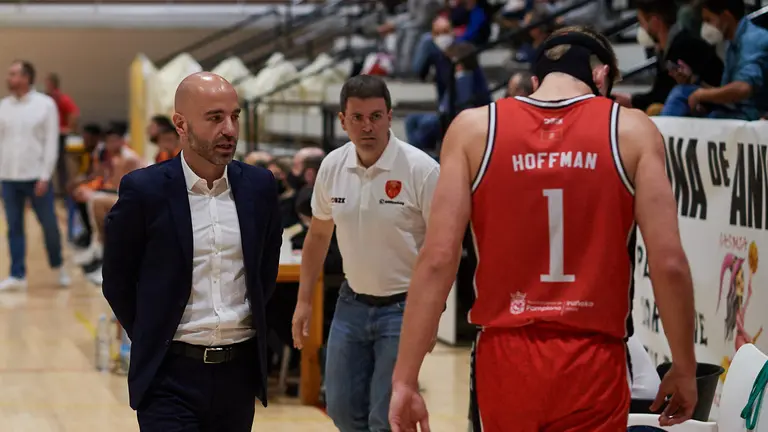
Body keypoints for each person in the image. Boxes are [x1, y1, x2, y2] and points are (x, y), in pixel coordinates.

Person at [388, 26, 698, 432]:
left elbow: (438, 260)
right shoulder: (633, 130)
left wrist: (405, 379)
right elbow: (669, 263)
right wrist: (685, 366)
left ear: (535, 81)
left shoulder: (473, 129)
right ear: (602, 76)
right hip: (593, 355)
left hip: (505, 353)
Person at [102, 71, 283, 431]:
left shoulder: (260, 187)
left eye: (235, 116)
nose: (229, 129)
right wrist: (154, 334)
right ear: (181, 124)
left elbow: (265, 272)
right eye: (215, 118)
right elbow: (118, 280)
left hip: (238, 374)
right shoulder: (144, 190)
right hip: (169, 375)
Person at [291, 74, 440, 432]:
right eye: (357, 117)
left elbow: (441, 250)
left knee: (383, 417)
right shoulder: (331, 166)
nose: (367, 126)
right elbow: (318, 236)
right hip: (350, 303)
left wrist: (434, 312)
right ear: (343, 121)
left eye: (375, 116)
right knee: (340, 410)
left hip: (404, 308)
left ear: (390, 116)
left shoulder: (422, 170)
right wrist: (304, 301)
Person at [0, 60, 69, 290]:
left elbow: (51, 142)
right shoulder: (4, 106)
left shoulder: (45, 105)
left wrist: (45, 175)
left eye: (13, 74)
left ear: (26, 77)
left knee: (49, 224)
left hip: (36, 177)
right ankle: (17, 274)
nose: (9, 78)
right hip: (9, 177)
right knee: (14, 227)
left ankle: (59, 266)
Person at [661, 0, 768, 119]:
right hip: (737, 110)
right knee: (685, 92)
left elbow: (743, 88)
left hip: (754, 116)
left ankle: (658, 136)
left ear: (726, 16)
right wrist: (694, 82)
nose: (705, 27)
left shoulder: (751, 40)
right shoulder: (733, 44)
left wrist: (702, 94)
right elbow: (728, 94)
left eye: (708, 20)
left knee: (681, 94)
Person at [612, 0, 723, 113]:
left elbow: (663, 95)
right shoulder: (672, 46)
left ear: (655, 21)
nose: (642, 28)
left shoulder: (683, 46)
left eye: (642, 23)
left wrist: (633, 100)